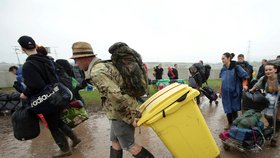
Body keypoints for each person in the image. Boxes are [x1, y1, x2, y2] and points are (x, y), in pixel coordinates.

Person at [70, 41, 154, 158]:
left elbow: (115, 96)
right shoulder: (103, 65)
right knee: (115, 141)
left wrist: (130, 118)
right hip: (118, 111)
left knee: (129, 145)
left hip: (121, 112)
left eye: (76, 60)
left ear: (85, 58)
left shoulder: (97, 72)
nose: (76, 64)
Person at [18, 35, 81, 157]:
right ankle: (75, 138)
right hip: (57, 95)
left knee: (53, 126)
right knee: (57, 121)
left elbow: (36, 85)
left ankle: (65, 149)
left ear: (22, 49)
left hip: (45, 100)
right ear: (35, 46)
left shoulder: (28, 65)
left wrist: (25, 93)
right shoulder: (47, 60)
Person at [219, 52, 249, 129]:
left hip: (235, 91)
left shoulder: (236, 67)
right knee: (227, 108)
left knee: (234, 108)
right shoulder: (223, 69)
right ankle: (229, 124)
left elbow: (245, 76)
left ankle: (235, 125)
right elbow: (222, 81)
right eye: (222, 58)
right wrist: (220, 91)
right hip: (225, 93)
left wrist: (244, 85)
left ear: (229, 58)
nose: (222, 60)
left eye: (223, 58)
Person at [250, 62, 280, 131]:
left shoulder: (279, 78)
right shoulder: (264, 78)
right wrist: (251, 90)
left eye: (270, 69)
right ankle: (272, 124)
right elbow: (257, 84)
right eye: (266, 70)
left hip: (279, 98)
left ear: (275, 70)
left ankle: (276, 130)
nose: (268, 71)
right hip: (269, 96)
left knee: (278, 115)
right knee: (267, 115)